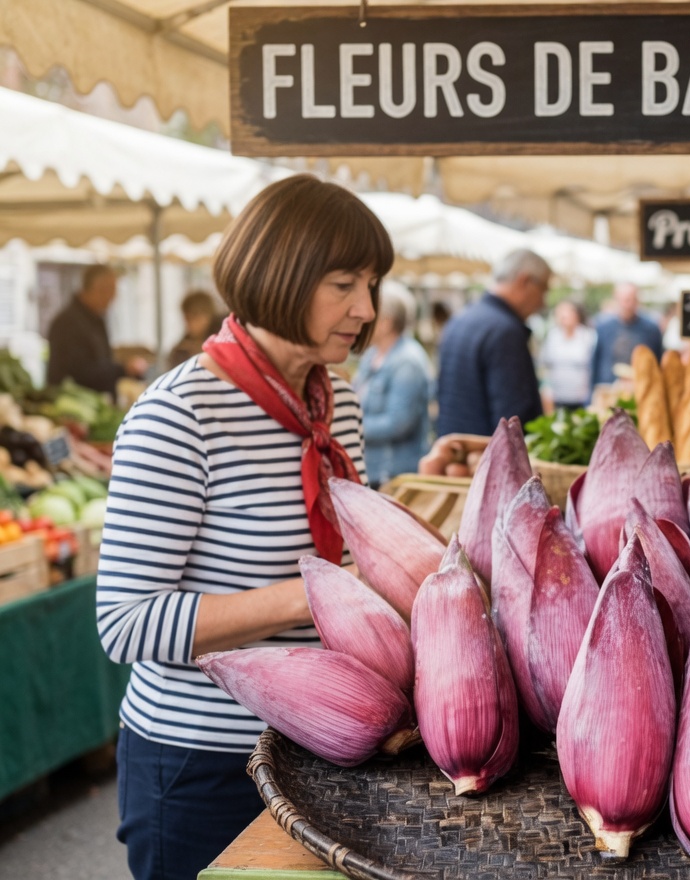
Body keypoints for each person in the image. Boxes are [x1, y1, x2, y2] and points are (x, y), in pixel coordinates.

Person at [96, 174, 392, 880]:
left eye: (372, 284)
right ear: (281, 276)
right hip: (201, 765)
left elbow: (342, 542)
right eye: (344, 284)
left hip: (321, 748)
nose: (367, 307)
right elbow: (125, 625)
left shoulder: (336, 403)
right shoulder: (180, 416)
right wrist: (314, 593)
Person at [435, 249, 549, 436]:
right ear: (524, 281)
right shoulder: (505, 331)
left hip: (458, 450)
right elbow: (514, 420)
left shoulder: (460, 319)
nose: (543, 302)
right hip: (487, 458)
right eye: (544, 289)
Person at [353, 284, 432, 486]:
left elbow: (399, 423)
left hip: (395, 474)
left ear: (386, 322)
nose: (362, 318)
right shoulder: (371, 355)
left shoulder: (407, 361)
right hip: (373, 469)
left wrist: (350, 426)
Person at [47, 265, 149, 395]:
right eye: (112, 290)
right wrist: (123, 369)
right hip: (74, 405)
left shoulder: (96, 319)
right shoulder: (67, 323)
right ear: (98, 289)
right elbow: (81, 372)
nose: (114, 297)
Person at [590, 282, 664, 387]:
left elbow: (658, 362)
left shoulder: (651, 329)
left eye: (631, 299)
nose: (627, 304)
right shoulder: (603, 328)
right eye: (624, 300)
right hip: (608, 389)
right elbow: (595, 361)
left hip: (641, 388)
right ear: (616, 300)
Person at [540, 299, 596, 410]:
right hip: (558, 396)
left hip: (582, 397)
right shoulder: (553, 336)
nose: (563, 316)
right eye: (559, 313)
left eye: (566, 312)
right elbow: (544, 364)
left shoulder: (588, 336)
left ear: (576, 315)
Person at [166, 289, 225, 369]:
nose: (188, 324)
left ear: (207, 316)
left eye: (193, 318)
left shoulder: (223, 340)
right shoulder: (180, 350)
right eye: (186, 319)